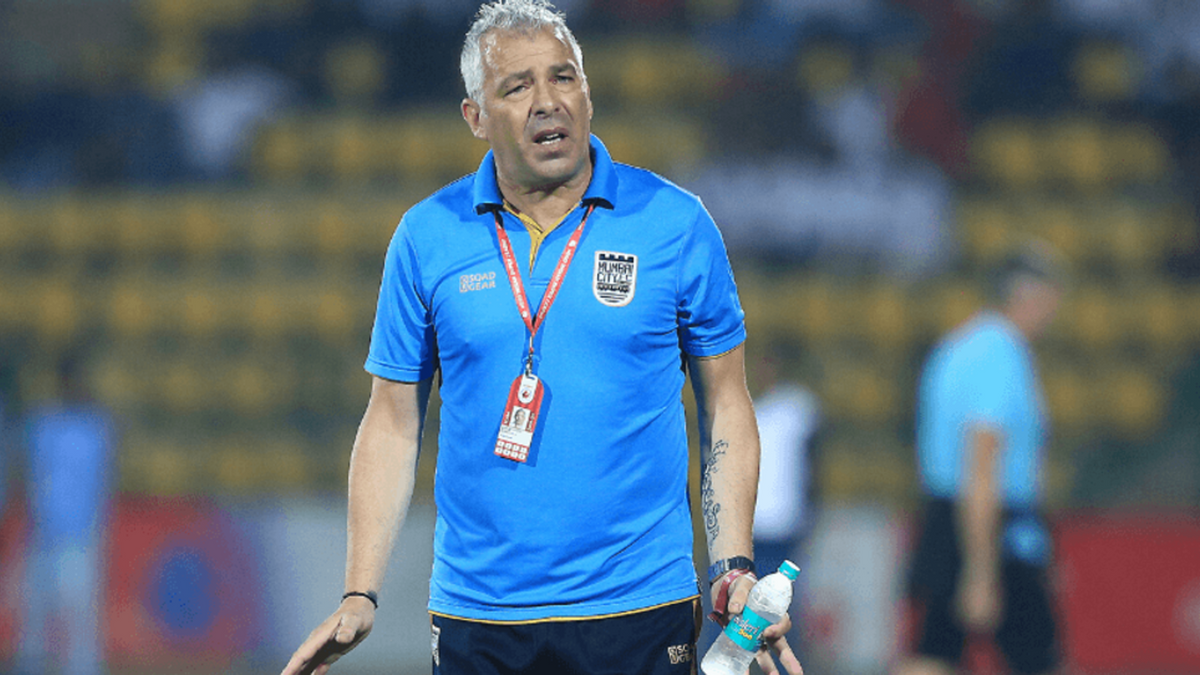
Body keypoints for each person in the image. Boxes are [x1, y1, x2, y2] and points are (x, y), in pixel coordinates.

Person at [281, 2, 804, 674]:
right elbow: (391, 420)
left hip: (638, 605)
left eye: (563, 77)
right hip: (479, 615)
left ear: (587, 94)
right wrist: (360, 592)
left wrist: (732, 567)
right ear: (475, 116)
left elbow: (726, 402)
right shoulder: (426, 236)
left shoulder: (675, 224)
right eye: (517, 86)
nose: (547, 101)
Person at [898, 244, 1066, 675]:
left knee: (933, 650)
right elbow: (982, 461)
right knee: (1039, 658)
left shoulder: (956, 346)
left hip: (946, 515)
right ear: (1029, 296)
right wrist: (981, 569)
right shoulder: (1001, 355)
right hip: (990, 524)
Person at [17, 355, 117, 675]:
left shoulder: (96, 427)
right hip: (42, 535)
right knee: (34, 625)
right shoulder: (44, 424)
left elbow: (102, 483)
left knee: (79, 625)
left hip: (80, 539)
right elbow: (30, 475)